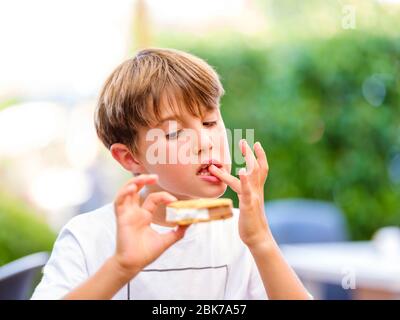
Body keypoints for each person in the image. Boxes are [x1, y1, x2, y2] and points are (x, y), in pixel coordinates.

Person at [31, 48, 311, 300]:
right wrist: (120, 268)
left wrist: (261, 242)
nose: (205, 142)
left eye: (209, 121)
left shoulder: (241, 232)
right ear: (130, 157)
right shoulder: (89, 237)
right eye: (175, 133)